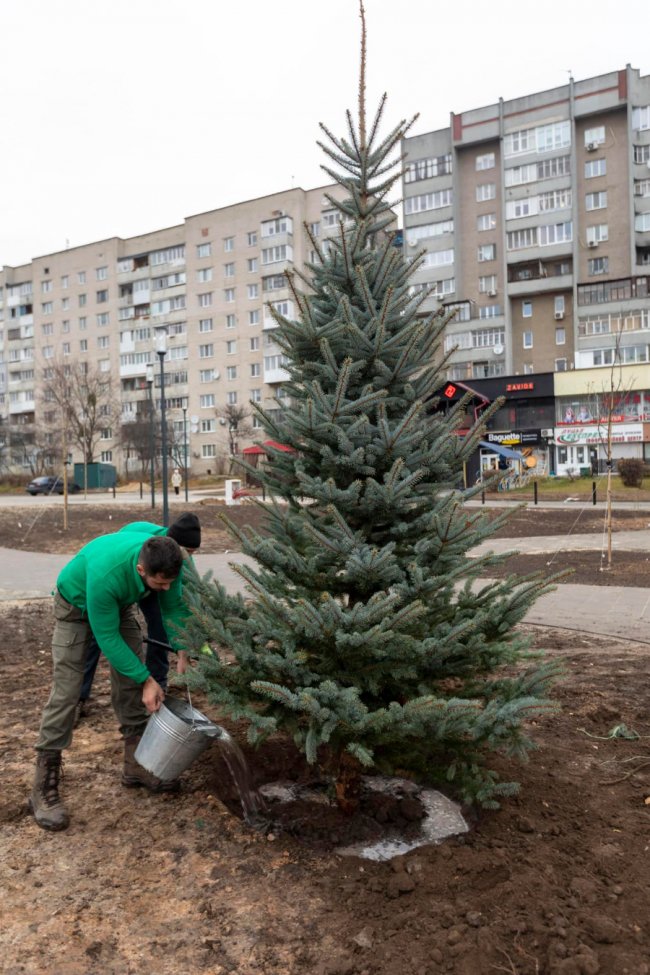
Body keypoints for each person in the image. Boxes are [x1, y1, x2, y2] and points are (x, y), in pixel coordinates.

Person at [30, 532, 192, 832]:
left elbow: (172, 609)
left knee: (130, 682)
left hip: (116, 605)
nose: (166, 588)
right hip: (75, 605)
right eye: (160, 584)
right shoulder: (108, 574)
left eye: (170, 581)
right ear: (141, 570)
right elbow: (107, 638)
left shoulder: (167, 560)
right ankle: (43, 785)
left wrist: (184, 647)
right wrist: (147, 680)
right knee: (68, 691)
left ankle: (136, 766)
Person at [75, 513, 201, 721]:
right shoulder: (143, 544)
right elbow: (117, 552)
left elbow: (177, 606)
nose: (188, 557)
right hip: (128, 580)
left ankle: (158, 682)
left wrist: (183, 648)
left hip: (154, 579)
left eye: (193, 553)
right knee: (100, 633)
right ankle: (79, 695)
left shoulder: (179, 563)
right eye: (186, 551)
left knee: (159, 625)